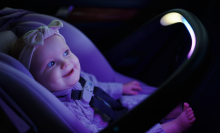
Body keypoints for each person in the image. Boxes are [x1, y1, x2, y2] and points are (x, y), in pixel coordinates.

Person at [9, 20, 195, 133]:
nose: (65, 63)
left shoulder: (78, 77)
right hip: (107, 126)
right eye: (51, 64)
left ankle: (164, 112)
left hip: (115, 108)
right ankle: (175, 127)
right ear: (36, 81)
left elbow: (98, 87)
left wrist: (120, 89)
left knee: (138, 100)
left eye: (66, 53)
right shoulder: (65, 108)